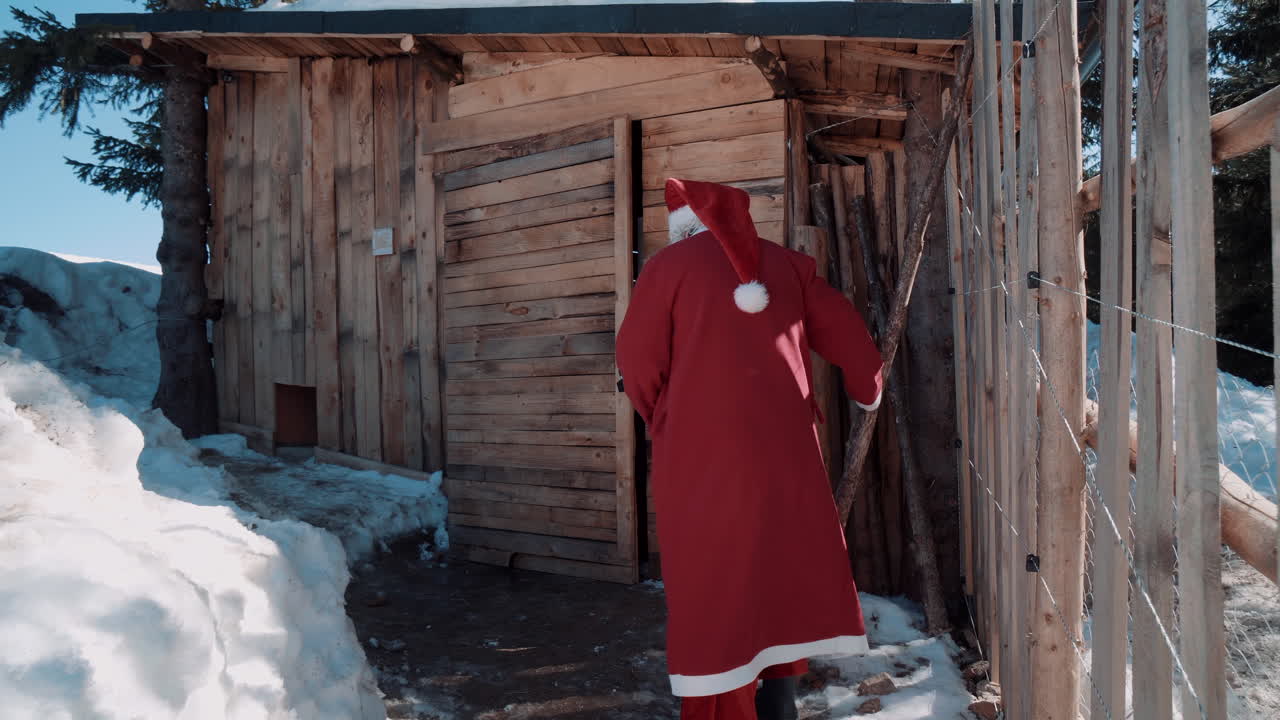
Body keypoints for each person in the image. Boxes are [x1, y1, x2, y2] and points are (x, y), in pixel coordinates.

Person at [616, 178, 885, 720]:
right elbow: (851, 336)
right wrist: (868, 392)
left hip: (699, 457)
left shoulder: (667, 270)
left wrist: (660, 414)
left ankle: (723, 707)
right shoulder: (788, 265)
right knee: (775, 565)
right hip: (785, 451)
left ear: (683, 225)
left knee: (713, 575)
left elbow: (636, 359)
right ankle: (779, 699)